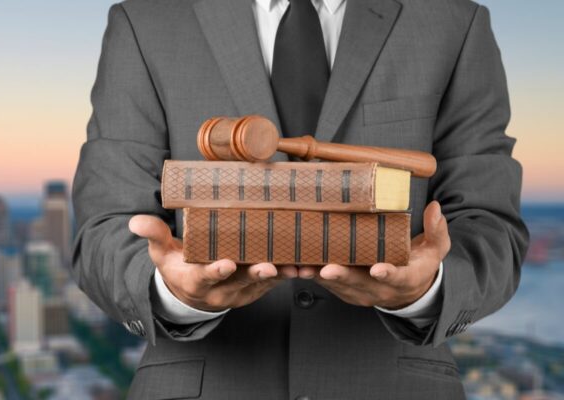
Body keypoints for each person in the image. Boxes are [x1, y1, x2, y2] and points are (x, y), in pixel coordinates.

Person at [72, 0, 529, 398]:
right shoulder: (146, 22)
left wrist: (424, 291)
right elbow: (104, 232)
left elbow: (491, 228)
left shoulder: (453, 23)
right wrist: (173, 293)